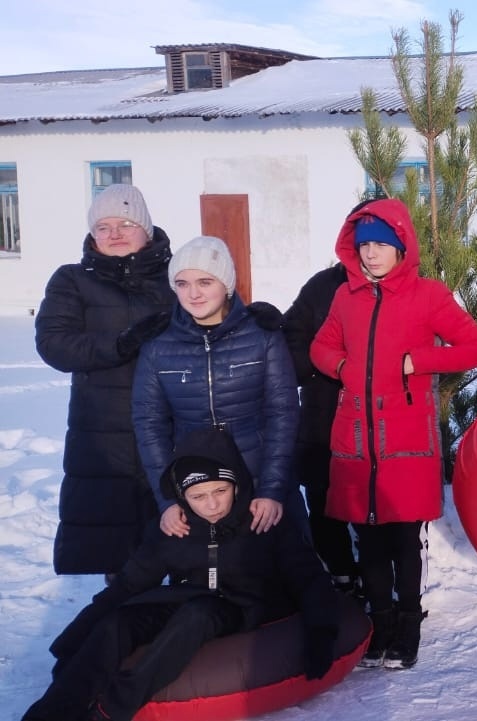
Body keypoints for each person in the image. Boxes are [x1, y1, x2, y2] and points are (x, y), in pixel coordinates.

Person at [21, 427, 340, 721]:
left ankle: (109, 710)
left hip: (247, 606)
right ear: (182, 496)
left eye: (221, 490)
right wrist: (75, 636)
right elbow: (127, 585)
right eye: (199, 496)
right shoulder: (175, 529)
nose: (213, 505)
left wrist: (321, 636)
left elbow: (309, 580)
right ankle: (54, 711)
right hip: (193, 598)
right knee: (121, 621)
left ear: (236, 483)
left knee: (198, 615)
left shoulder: (264, 523)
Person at [310, 198, 477, 671]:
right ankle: (381, 622)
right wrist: (342, 365)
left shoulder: (428, 295)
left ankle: (408, 623)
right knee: (366, 538)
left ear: (401, 247)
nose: (371, 254)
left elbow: (476, 347)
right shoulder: (345, 297)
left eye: (381, 245)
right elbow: (320, 346)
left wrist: (420, 360)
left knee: (404, 537)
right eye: (364, 244)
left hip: (405, 438)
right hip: (357, 435)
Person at [35, 184, 176, 577]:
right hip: (102, 433)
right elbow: (54, 343)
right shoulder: (72, 280)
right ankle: (123, 630)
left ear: (146, 228)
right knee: (118, 554)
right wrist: (120, 343)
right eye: (103, 226)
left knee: (184, 543)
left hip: (172, 430)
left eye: (126, 223)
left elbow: (216, 316)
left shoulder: (178, 276)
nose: (114, 233)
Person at [132, 235, 301, 541]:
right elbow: (149, 425)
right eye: (182, 284)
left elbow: (283, 414)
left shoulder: (262, 337)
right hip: (196, 490)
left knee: (277, 576)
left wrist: (272, 489)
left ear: (227, 285)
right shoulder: (158, 346)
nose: (193, 294)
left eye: (205, 282)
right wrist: (169, 499)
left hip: (258, 481)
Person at [283, 259, 360, 595]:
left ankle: (381, 585)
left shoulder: (406, 289)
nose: (369, 251)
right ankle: (338, 574)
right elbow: (291, 337)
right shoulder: (321, 286)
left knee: (374, 501)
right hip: (321, 414)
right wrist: (320, 365)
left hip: (379, 416)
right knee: (323, 497)